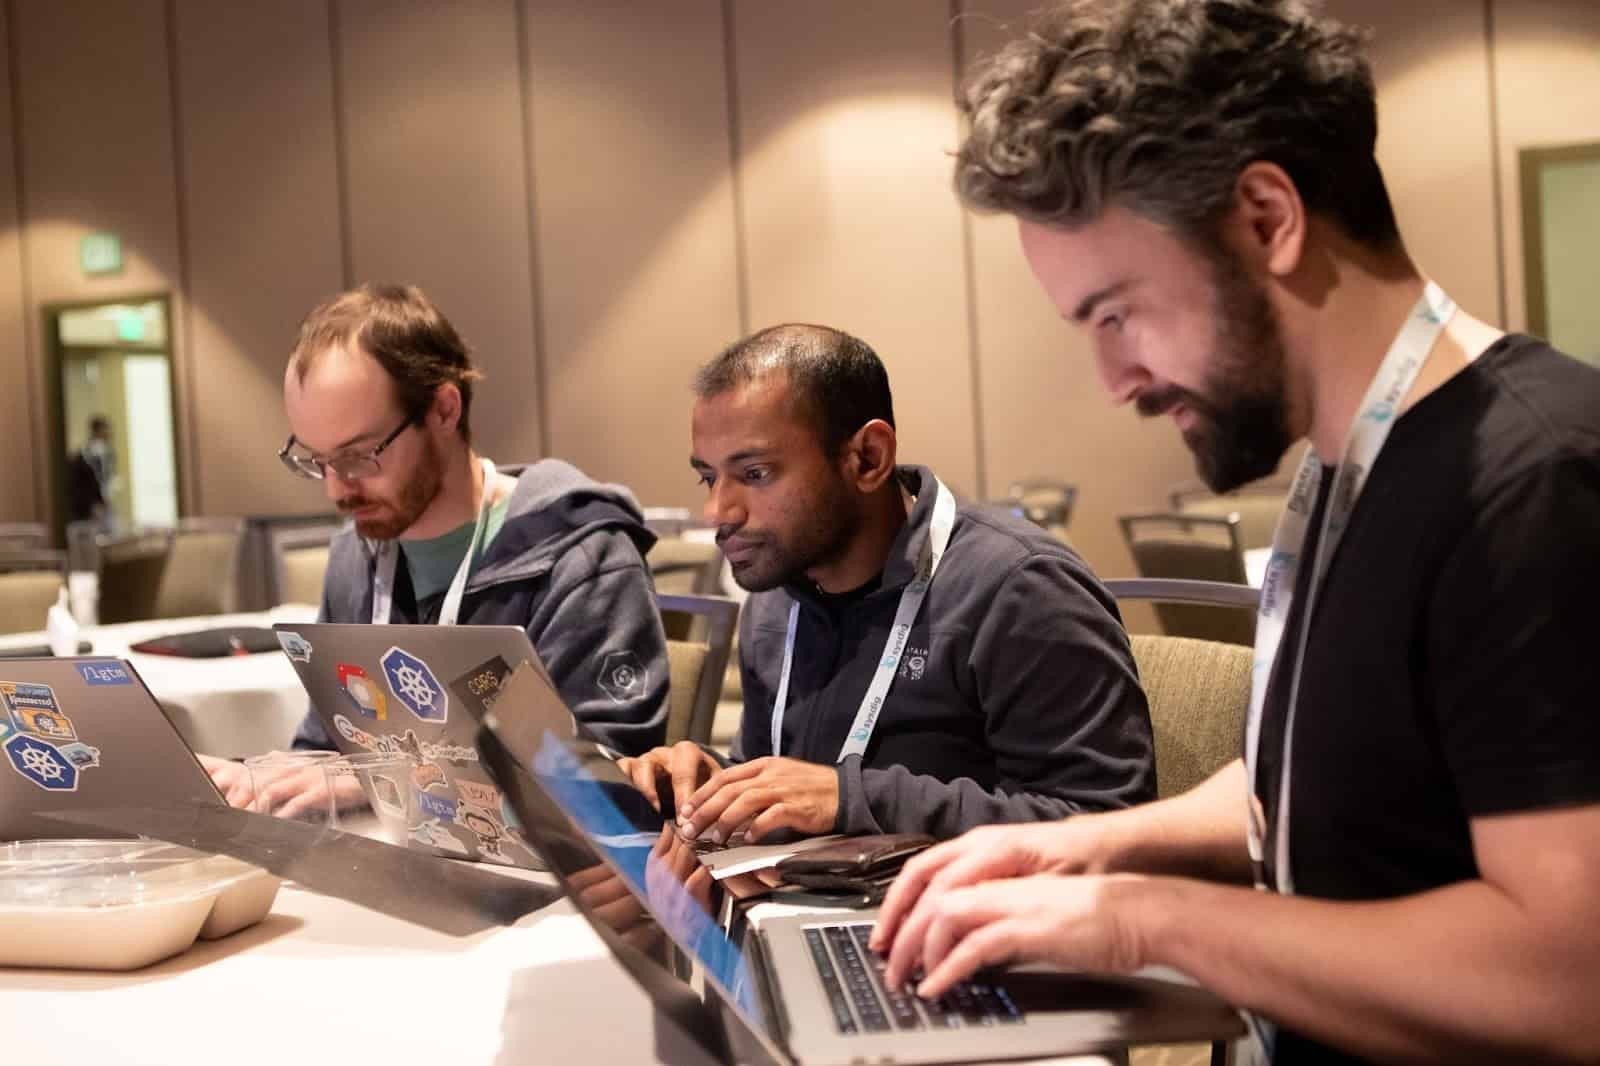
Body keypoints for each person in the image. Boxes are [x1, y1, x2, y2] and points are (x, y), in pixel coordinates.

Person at [870, 3, 1600, 1063]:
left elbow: (1568, 976)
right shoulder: (1350, 466)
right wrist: (1079, 848)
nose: (1113, 377)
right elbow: (1309, 777)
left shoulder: (1532, 482)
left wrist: (1142, 918)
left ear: (1266, 218)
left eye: (1116, 312)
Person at [620, 323, 1154, 844]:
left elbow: (1107, 824)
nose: (717, 511)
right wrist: (713, 786)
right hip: (813, 911)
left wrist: (854, 801)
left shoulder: (1019, 587)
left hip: (978, 924)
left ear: (868, 459)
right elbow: (793, 787)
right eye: (709, 478)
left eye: (756, 473)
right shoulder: (779, 597)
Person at [204, 283, 670, 811]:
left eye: (359, 455)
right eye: (316, 460)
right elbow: (328, 750)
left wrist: (385, 778)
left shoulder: (578, 559)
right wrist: (261, 779)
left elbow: (609, 786)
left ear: (444, 410)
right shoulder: (356, 560)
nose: (337, 489)